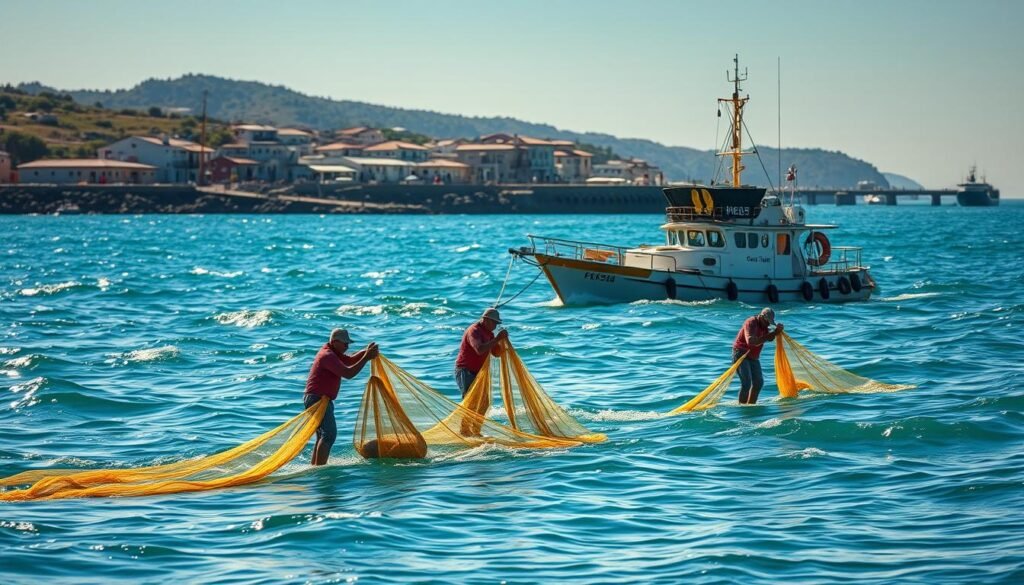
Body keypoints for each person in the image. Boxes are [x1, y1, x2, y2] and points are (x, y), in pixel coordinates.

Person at [304, 328, 378, 465]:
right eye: (345, 344)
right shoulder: (327, 355)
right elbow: (348, 373)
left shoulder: (334, 352)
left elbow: (349, 360)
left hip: (319, 399)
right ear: (335, 342)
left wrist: (366, 351)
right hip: (317, 399)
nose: (347, 347)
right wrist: (367, 357)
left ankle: (315, 466)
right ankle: (319, 469)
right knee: (329, 435)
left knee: (322, 436)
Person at [732, 307, 784, 405]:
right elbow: (751, 341)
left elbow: (769, 338)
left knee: (758, 383)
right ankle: (742, 406)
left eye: (770, 322)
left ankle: (751, 405)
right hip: (741, 353)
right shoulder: (751, 322)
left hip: (753, 356)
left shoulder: (765, 325)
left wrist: (777, 331)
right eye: (767, 321)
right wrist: (772, 334)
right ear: (761, 317)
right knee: (746, 383)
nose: (768, 324)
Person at [454, 307, 508, 397]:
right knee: (470, 399)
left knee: (483, 402)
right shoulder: (474, 330)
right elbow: (479, 350)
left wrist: (502, 342)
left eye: (496, 323)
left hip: (479, 372)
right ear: (486, 320)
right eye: (494, 323)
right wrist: (497, 338)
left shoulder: (489, 333)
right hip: (466, 371)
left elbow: (496, 353)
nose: (495, 326)